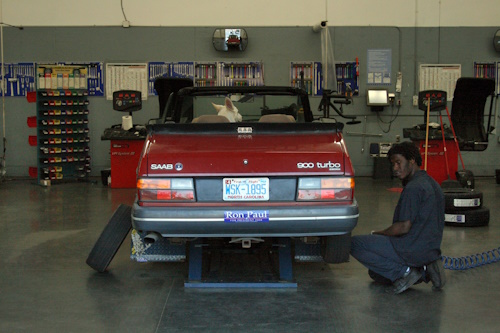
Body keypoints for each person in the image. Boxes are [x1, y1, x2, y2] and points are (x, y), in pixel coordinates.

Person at [351, 141, 446, 294]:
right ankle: (425, 268)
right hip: (430, 249)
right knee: (375, 273)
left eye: (398, 163)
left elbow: (403, 227)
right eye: (393, 164)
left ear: (412, 160)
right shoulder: (433, 184)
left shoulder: (413, 188)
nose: (395, 168)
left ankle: (407, 273)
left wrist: (378, 233)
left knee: (354, 244)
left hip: (410, 248)